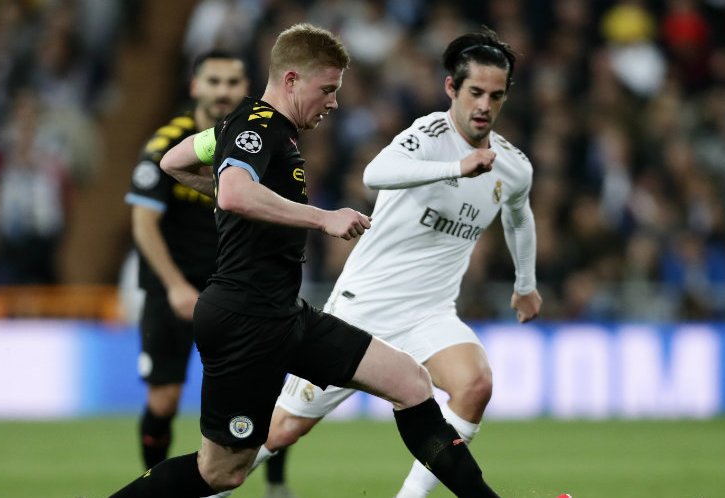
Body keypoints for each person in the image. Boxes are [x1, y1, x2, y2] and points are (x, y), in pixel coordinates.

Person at [109, 23, 504, 498]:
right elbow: (233, 193)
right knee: (221, 472)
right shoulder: (258, 127)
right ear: (292, 80)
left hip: (284, 313)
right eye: (328, 89)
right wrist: (322, 219)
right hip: (245, 318)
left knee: (411, 381)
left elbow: (174, 161)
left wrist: (235, 193)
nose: (333, 102)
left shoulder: (247, 127)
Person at [219, 27, 542, 498]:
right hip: (364, 307)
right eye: (475, 92)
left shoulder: (513, 166)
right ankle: (203, 488)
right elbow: (376, 173)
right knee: (281, 430)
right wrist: (456, 167)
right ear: (452, 88)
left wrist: (525, 284)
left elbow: (519, 217)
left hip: (429, 314)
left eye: (496, 95)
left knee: (475, 384)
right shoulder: (428, 136)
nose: (484, 105)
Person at [123, 50, 248, 470]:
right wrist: (175, 286)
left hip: (230, 285)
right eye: (213, 81)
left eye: (232, 82)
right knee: (164, 400)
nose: (223, 91)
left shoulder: (255, 141)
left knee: (252, 389)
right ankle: (153, 483)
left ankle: (270, 484)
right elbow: (143, 222)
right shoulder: (166, 144)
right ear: (195, 86)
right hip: (171, 286)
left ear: (246, 87)